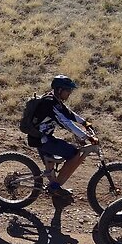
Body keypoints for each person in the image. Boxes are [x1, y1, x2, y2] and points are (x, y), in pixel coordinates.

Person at [27, 75, 96, 203]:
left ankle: (55, 188)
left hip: (43, 137)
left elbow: (68, 113)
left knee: (51, 165)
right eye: (68, 90)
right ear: (59, 90)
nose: (70, 93)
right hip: (43, 139)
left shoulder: (54, 100)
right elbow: (65, 122)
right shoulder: (50, 103)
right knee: (74, 153)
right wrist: (86, 136)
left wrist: (84, 123)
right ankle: (55, 187)